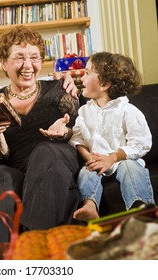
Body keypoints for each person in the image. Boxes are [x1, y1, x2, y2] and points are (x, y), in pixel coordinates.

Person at [0, 25, 80, 231]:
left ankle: (30, 237)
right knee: (65, 190)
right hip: (27, 170)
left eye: (35, 58)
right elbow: (1, 154)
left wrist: (63, 132)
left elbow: (78, 133)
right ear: (3, 62)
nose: (28, 65)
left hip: (60, 154)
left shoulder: (59, 88)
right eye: (19, 57)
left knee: (45, 150)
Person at [69, 51, 156, 221]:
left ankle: (140, 207)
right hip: (96, 162)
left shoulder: (127, 110)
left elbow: (141, 143)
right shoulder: (84, 111)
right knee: (87, 172)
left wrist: (114, 157)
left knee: (129, 167)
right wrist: (89, 157)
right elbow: (77, 138)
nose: (82, 79)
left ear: (104, 84)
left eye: (87, 73)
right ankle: (89, 205)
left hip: (123, 160)